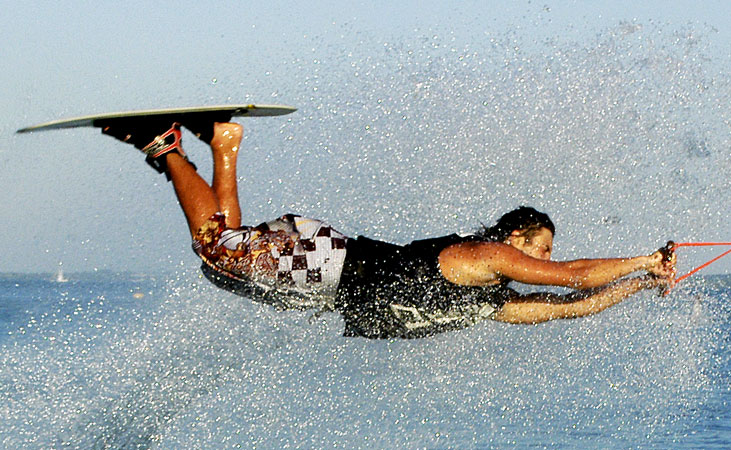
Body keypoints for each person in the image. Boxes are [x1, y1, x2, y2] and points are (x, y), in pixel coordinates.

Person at [102, 120, 675, 339]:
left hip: (322, 292)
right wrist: (645, 261)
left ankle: (222, 145)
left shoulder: (486, 303)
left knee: (222, 265)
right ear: (515, 239)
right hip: (327, 262)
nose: (545, 261)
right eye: (540, 249)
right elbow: (571, 279)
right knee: (218, 252)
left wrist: (640, 288)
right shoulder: (481, 256)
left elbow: (569, 307)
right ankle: (167, 147)